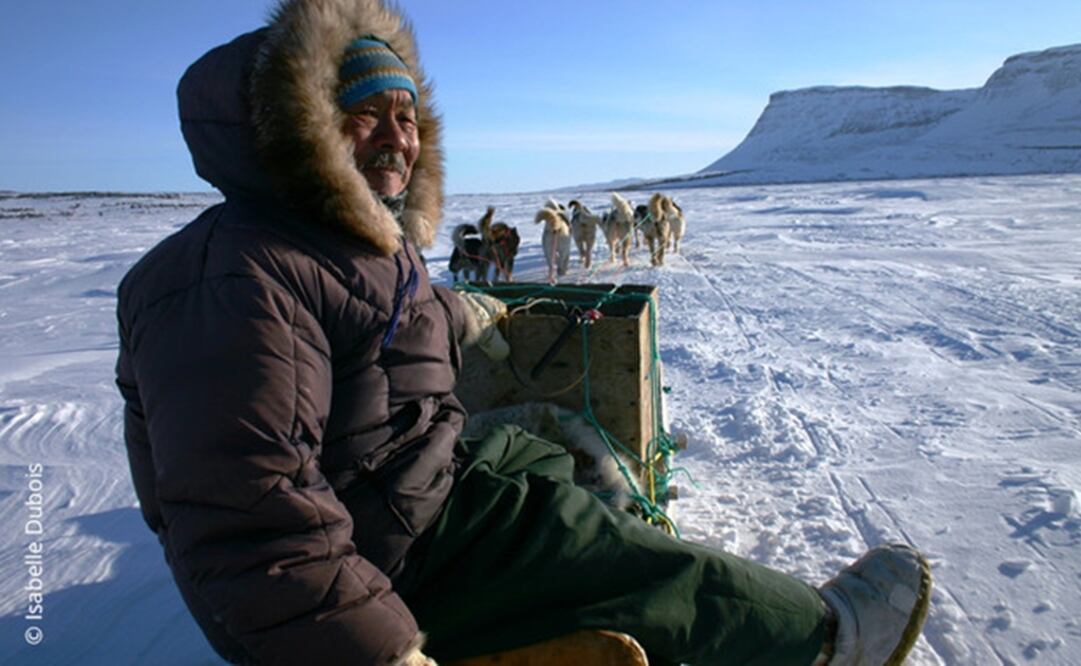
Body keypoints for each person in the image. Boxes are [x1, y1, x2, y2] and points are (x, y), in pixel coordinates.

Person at [114, 1, 931, 665]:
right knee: (571, 532)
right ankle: (822, 638)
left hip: (408, 484)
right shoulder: (227, 281)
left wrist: (470, 311)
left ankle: (578, 593)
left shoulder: (345, 241)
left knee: (545, 442)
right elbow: (251, 522)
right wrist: (381, 653)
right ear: (301, 129)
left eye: (408, 116)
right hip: (368, 568)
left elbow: (384, 320)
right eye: (365, 115)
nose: (399, 137)